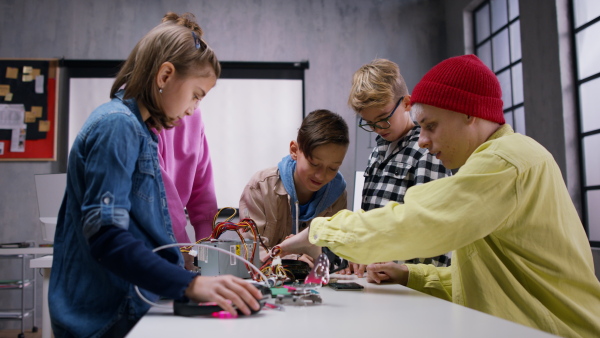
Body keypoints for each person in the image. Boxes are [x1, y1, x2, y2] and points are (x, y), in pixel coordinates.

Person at [278, 55, 600, 337]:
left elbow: (417, 222)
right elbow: (486, 278)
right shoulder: (497, 160)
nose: (423, 141)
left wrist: (322, 232)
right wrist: (410, 274)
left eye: (431, 126)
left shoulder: (503, 162)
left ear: (469, 114)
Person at [49, 12, 262, 338]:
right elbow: (106, 237)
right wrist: (191, 283)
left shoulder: (141, 132)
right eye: (196, 95)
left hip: (134, 304)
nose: (194, 109)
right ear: (165, 75)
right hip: (106, 316)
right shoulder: (116, 125)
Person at [339, 58, 452, 277]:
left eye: (383, 119)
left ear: (407, 103)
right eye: (369, 123)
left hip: (409, 283)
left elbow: (433, 235)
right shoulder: (377, 152)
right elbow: (370, 220)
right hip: (376, 278)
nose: (378, 129)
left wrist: (395, 267)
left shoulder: (426, 150)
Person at [239, 109, 349, 264]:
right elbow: (249, 250)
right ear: (294, 150)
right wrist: (293, 259)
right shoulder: (260, 187)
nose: (321, 175)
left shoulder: (337, 195)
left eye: (333, 168)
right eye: (314, 164)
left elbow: (335, 249)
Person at [157, 109, 218, 269]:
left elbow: (203, 189)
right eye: (196, 94)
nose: (193, 106)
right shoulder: (136, 118)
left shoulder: (193, 114)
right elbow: (160, 197)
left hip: (171, 243)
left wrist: (206, 254)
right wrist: (183, 249)